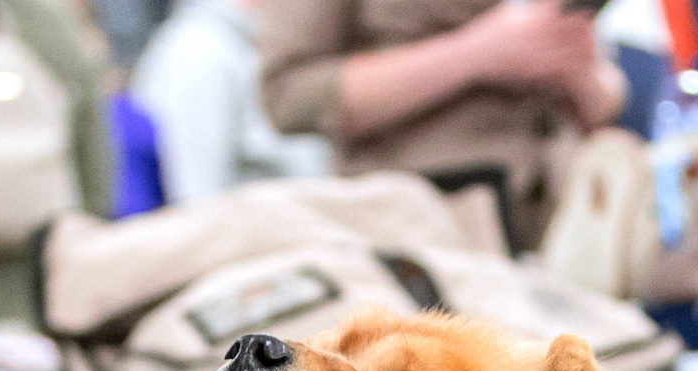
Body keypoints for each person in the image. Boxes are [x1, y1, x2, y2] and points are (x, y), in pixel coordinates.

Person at [259, 0, 629, 251]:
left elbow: (603, 98)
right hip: (420, 231)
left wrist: (579, 70)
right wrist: (474, 53)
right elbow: (288, 95)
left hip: (563, 228)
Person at [134, 0, 335, 202]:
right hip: (253, 218)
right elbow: (198, 194)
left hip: (305, 208)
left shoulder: (256, 39)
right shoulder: (201, 50)